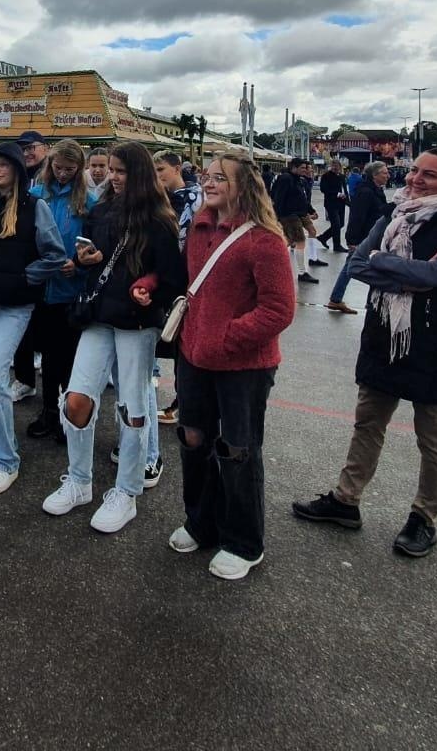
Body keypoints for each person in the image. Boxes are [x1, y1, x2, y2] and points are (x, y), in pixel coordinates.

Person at [292, 148, 437, 559]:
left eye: (429, 175)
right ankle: (346, 500)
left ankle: (423, 519)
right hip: (385, 335)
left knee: (432, 438)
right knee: (367, 422)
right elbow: (358, 265)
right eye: (414, 170)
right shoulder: (395, 214)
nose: (416, 179)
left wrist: (386, 265)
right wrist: (402, 276)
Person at [43, 142, 184, 533]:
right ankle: (79, 481)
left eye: (122, 171)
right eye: (111, 170)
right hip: (98, 315)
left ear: (137, 173)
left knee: (134, 409)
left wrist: (149, 283)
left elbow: (173, 275)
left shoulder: (158, 218)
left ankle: (127, 492)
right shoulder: (101, 210)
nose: (113, 177)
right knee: (75, 400)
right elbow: (96, 259)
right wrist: (88, 260)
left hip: (138, 322)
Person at [169, 150, 295, 580]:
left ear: (245, 186)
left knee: (238, 450)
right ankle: (201, 522)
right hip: (194, 359)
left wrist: (226, 338)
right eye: (206, 175)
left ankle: (244, 541)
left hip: (244, 366)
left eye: (220, 177)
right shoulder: (198, 230)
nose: (209, 182)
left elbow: (279, 310)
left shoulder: (265, 240)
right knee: (193, 440)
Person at [0, 141, 68, 494]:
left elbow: (55, 255)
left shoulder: (36, 207)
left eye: (4, 164)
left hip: (15, 304)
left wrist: (24, 279)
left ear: (18, 169)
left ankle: (6, 460)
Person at [27, 140, 91, 440]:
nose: (63, 174)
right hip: (42, 287)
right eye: (58, 168)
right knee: (49, 356)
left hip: (72, 289)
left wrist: (78, 264)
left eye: (70, 169)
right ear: (49, 166)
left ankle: (69, 412)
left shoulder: (88, 201)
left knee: (70, 357)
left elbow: (95, 244)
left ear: (79, 170)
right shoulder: (36, 194)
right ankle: (49, 410)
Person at [152, 150, 202, 425]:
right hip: (164, 277)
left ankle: (186, 404)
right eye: (154, 170)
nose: (157, 175)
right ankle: (183, 402)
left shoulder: (194, 199)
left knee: (183, 345)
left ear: (176, 169)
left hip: (186, 279)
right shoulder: (158, 199)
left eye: (161, 169)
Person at [6, 130, 53, 398]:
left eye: (32, 147)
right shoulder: (19, 177)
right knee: (22, 323)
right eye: (22, 148)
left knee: (48, 328)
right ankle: (24, 379)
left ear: (45, 148)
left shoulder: (53, 176)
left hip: (51, 261)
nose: (27, 153)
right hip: (24, 260)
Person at [325, 161, 390, 315]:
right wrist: (352, 240)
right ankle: (369, 305)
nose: (388, 175)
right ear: (374, 175)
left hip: (370, 236)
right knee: (363, 268)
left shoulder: (374, 190)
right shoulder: (366, 192)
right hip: (363, 238)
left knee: (351, 267)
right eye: (384, 173)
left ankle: (336, 298)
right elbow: (357, 216)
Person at [271, 160, 320, 284]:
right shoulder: (286, 179)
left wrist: (310, 210)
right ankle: (302, 272)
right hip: (289, 214)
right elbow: (278, 198)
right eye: (302, 167)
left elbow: (302, 198)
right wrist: (277, 216)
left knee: (289, 240)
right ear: (294, 167)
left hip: (299, 213)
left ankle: (270, 258)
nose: (305, 170)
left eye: (305, 168)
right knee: (300, 240)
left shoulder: (298, 179)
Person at [317, 160, 349, 252]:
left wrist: (348, 201)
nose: (335, 168)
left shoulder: (342, 177)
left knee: (341, 224)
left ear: (340, 167)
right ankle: (337, 245)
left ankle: (323, 237)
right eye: (333, 166)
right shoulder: (326, 176)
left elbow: (344, 189)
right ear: (331, 166)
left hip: (341, 203)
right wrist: (336, 194)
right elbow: (323, 189)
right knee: (336, 224)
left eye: (337, 166)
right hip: (331, 203)